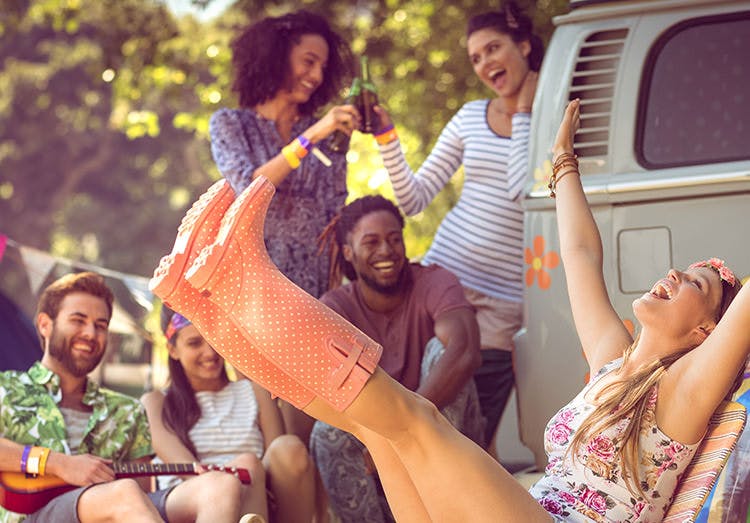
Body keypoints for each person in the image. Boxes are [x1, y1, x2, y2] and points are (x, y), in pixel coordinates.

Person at [152, 99, 749, 522]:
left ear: (706, 330)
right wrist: (563, 164)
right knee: (369, 426)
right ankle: (205, 305)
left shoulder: (685, 395)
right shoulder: (613, 363)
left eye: (696, 280)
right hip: (521, 511)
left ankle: (244, 277)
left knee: (415, 418)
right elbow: (579, 253)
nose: (674, 273)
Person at [372, 1, 545, 447]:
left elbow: (522, 191)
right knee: (424, 407)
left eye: (493, 48)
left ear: (523, 45)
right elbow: (412, 199)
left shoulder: (553, 118)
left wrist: (526, 112)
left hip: (502, 305)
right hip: (442, 282)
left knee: (470, 431)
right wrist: (387, 135)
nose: (485, 62)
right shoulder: (471, 117)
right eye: (476, 57)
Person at [209, 9, 358, 444]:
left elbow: (335, 209)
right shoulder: (229, 125)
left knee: (321, 427)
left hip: (316, 297)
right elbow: (249, 185)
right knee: (277, 432)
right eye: (308, 60)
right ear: (276, 56)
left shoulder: (326, 131)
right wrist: (309, 140)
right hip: (257, 293)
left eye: (323, 67)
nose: (316, 75)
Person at [0, 272, 244, 523]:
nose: (90, 333)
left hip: (117, 510)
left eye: (101, 325)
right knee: (124, 492)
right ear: (44, 325)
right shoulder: (5, 388)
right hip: (30, 516)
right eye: (78, 320)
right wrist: (59, 464)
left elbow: (144, 499)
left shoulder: (127, 410)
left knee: (219, 486)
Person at [311, 195, 483, 522]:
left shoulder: (434, 281)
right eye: (371, 242)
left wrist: (406, 427)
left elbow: (465, 350)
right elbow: (332, 397)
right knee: (326, 432)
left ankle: (454, 514)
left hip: (446, 444)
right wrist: (387, 439)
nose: (386, 251)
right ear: (349, 252)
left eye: (394, 239)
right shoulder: (335, 308)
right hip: (374, 453)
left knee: (440, 350)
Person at [141, 306, 316, 523]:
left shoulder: (254, 392)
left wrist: (250, 474)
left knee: (289, 448)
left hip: (257, 494)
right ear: (173, 349)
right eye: (195, 343)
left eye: (214, 339)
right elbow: (189, 469)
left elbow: (277, 460)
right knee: (246, 465)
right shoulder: (157, 402)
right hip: (194, 500)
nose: (210, 352)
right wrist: (235, 479)